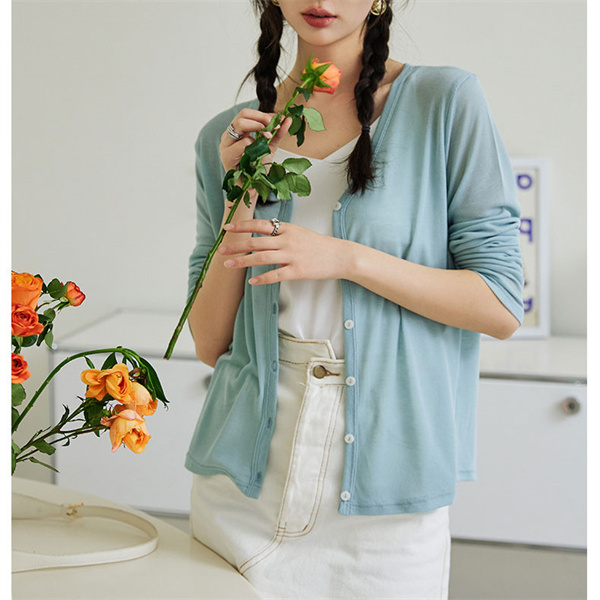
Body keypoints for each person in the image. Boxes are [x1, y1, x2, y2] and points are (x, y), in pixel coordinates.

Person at [185, 0, 524, 598]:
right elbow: (212, 341)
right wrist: (239, 195)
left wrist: (346, 258)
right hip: (241, 488)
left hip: (384, 497)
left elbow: (499, 304)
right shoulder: (228, 134)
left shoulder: (443, 101)